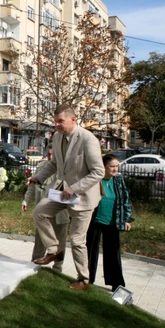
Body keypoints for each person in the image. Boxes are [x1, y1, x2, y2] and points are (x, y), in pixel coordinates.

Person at [29, 105, 105, 290]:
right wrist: (38, 177)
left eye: (60, 121)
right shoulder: (56, 137)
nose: (56, 125)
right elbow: (54, 164)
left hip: (84, 197)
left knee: (77, 240)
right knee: (39, 212)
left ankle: (83, 279)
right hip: (62, 191)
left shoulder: (88, 139)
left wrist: (76, 188)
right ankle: (54, 250)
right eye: (55, 121)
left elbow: (99, 172)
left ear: (73, 119)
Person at [86, 154, 134, 291]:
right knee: (90, 250)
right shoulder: (96, 178)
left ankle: (117, 284)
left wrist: (126, 219)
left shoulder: (118, 180)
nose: (115, 169)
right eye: (112, 166)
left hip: (113, 221)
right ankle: (88, 279)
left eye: (116, 166)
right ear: (103, 167)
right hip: (95, 220)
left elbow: (125, 199)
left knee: (113, 253)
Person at [22, 145, 69, 272]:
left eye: (53, 155)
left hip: (60, 211)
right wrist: (26, 200)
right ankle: (35, 264)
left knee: (60, 241)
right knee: (40, 238)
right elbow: (32, 185)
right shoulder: (41, 167)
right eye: (49, 154)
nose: (51, 157)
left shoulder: (65, 169)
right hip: (43, 208)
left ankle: (57, 267)